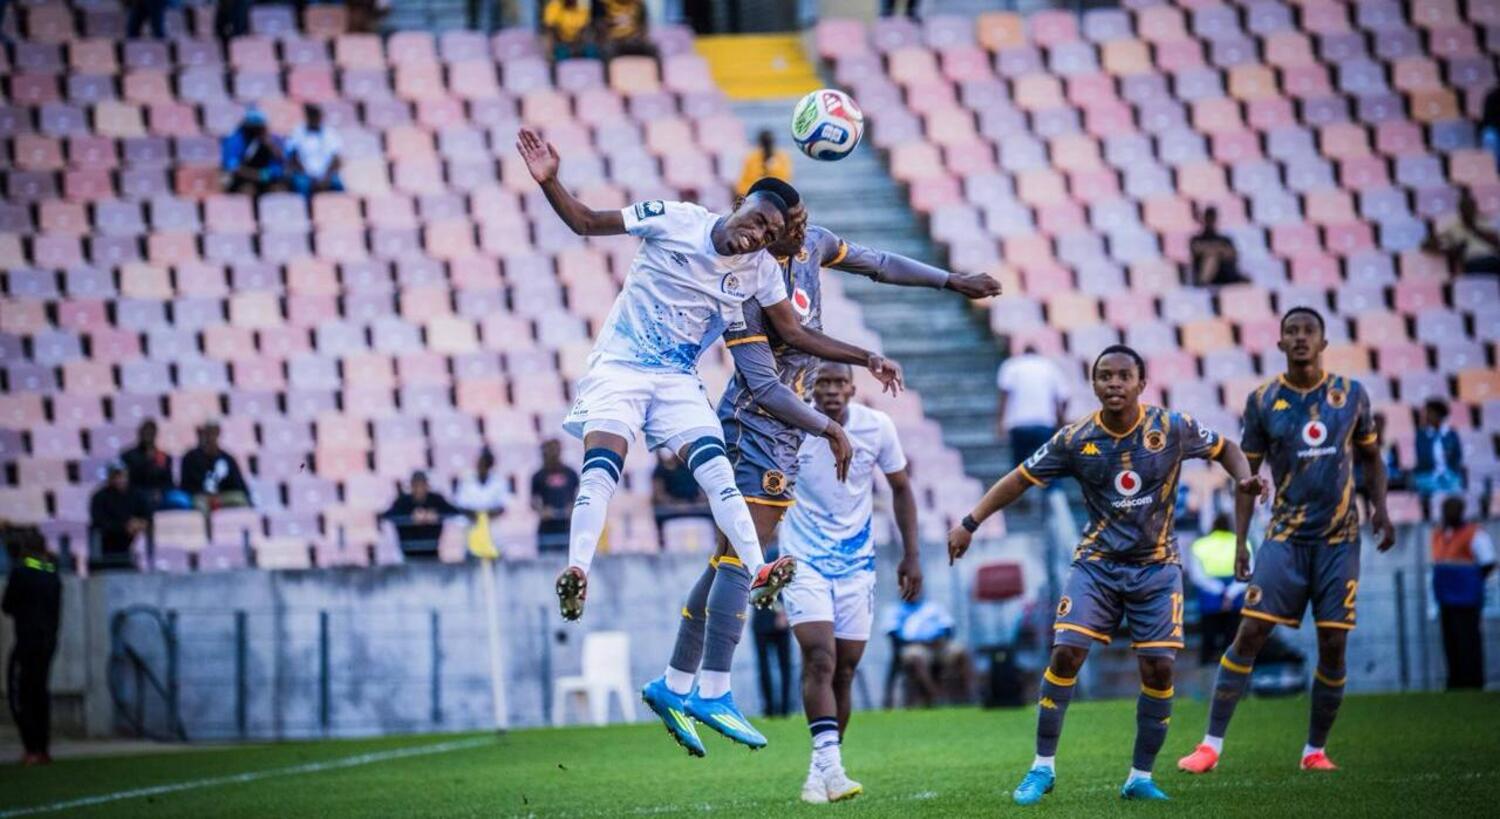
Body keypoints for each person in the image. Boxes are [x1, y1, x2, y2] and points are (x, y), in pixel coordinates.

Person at [516, 129, 905, 753]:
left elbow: (796, 334)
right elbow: (588, 222)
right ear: (740, 202)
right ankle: (579, 569)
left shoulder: (758, 272)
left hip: (676, 379)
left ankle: (752, 581)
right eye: (756, 221)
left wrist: (866, 356)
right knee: (602, 465)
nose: (756, 237)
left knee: (717, 470)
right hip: (620, 368)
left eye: (769, 235)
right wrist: (550, 182)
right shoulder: (674, 219)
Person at [643, 180, 1000, 758]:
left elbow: (878, 263)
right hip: (755, 424)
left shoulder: (815, 246)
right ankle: (712, 689)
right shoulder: (744, 283)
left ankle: (674, 682)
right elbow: (766, 381)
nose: (800, 229)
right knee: (741, 557)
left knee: (729, 559)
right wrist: (830, 424)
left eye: (801, 218)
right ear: (764, 227)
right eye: (787, 223)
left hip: (787, 429)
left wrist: (949, 281)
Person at [949, 344, 1261, 804]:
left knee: (1159, 668)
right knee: (1065, 654)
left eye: (1123, 376)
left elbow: (1226, 448)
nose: (1114, 383)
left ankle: (1139, 777)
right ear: (1093, 384)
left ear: (1141, 383)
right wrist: (970, 522)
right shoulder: (1076, 439)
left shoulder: (1172, 427)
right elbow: (1019, 478)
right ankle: (1041, 768)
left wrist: (1243, 478)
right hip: (1097, 566)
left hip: (1157, 567)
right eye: (1105, 376)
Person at [1180, 306, 1394, 776]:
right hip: (1285, 536)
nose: (1300, 338)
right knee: (1250, 632)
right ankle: (1210, 746)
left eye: (1308, 331)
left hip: (1339, 539)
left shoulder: (1351, 395)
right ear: (1279, 343)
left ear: (1323, 342)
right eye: (1291, 331)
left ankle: (1314, 750)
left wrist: (1380, 507)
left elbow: (1372, 458)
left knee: (1333, 643)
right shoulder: (1263, 401)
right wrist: (1241, 542)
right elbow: (1247, 476)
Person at [742, 362, 919, 801]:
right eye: (824, 382)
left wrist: (911, 555)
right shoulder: (792, 426)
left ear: (853, 389)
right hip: (803, 562)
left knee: (845, 669)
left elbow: (901, 488)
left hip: (857, 564)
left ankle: (821, 769)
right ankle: (833, 769)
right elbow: (764, 489)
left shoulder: (877, 427)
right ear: (811, 388)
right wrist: (755, 560)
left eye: (841, 383)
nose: (833, 390)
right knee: (820, 658)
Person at [3, 526, 62, 766]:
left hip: (27, 640)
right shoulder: (51, 571)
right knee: (40, 692)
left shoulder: (21, 572)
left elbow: (7, 606)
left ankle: (31, 748)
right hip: (48, 640)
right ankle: (43, 749)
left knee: (21, 694)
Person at [1431, 496, 1495, 690]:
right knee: (1450, 641)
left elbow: (1488, 562)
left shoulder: (1474, 533)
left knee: (1468, 640)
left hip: (1466, 597)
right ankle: (1455, 681)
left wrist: (1471, 581)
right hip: (1445, 595)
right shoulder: (1439, 534)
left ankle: (1472, 681)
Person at [995, 344, 1069, 475]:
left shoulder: (1011, 365)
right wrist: (1061, 422)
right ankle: (1051, 487)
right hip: (1044, 423)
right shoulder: (1049, 367)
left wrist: (1000, 422)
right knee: (1047, 466)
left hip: (1019, 424)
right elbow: (1062, 398)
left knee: (1019, 468)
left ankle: (1021, 486)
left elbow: (1004, 396)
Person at [885, 596, 971, 708]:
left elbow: (949, 628)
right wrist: (919, 641)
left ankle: (969, 696)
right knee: (916, 657)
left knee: (961, 651)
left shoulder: (933, 607)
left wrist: (938, 639)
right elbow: (893, 634)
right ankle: (935, 696)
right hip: (913, 646)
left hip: (939, 645)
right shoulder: (895, 610)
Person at [1185, 514, 1246, 666]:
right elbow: (1248, 572)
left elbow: (1196, 575)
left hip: (1210, 593)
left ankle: (1206, 663)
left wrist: (1219, 590)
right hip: (1235, 593)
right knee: (1233, 634)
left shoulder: (1200, 545)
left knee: (1209, 633)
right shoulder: (1241, 543)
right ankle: (1231, 665)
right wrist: (1230, 592)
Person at [380, 471, 462, 557]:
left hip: (432, 551)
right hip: (409, 552)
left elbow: (454, 512)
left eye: (422, 485)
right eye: (416, 485)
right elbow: (388, 515)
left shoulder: (436, 500)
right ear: (411, 487)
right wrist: (411, 517)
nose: (419, 489)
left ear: (427, 486)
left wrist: (436, 514)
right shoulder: (402, 501)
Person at [1422, 189, 1500, 275]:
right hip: (1473, 261)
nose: (1467, 210)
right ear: (1460, 210)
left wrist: (1473, 228)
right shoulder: (1452, 225)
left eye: (1470, 207)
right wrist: (1452, 250)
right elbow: (1427, 245)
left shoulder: (1484, 220)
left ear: (1474, 208)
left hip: (1493, 258)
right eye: (1464, 208)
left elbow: (1496, 242)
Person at [89, 461, 150, 568]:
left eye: (122, 476)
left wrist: (140, 523)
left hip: (130, 543)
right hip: (107, 544)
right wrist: (124, 526)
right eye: (115, 476)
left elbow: (147, 515)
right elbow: (99, 521)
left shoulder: (136, 495)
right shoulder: (100, 497)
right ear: (109, 478)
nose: (119, 480)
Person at [179, 421, 251, 511]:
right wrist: (206, 496)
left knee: (239, 499)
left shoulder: (228, 459)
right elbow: (185, 486)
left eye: (213, 432)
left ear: (218, 433)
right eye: (206, 432)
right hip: (200, 497)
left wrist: (217, 497)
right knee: (199, 504)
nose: (209, 436)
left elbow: (239, 486)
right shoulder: (190, 458)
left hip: (222, 497)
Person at [120, 419, 189, 510]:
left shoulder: (164, 456)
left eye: (151, 432)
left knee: (181, 501)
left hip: (160, 494)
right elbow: (127, 481)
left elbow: (169, 482)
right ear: (140, 433)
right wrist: (147, 461)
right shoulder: (128, 455)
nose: (148, 434)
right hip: (137, 495)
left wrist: (160, 492)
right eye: (145, 431)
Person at [1412, 398, 1466, 507]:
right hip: (1428, 476)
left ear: (1440, 415)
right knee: (1430, 487)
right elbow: (1422, 458)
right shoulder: (1421, 435)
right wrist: (1436, 475)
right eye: (1426, 413)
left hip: (1449, 476)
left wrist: (1448, 473)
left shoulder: (1451, 434)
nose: (1426, 416)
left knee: (1455, 488)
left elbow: (1457, 457)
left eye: (1430, 413)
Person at [455, 449, 511, 553]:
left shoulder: (499, 481)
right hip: (472, 523)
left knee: (496, 551)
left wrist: (485, 516)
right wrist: (478, 516)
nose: (480, 466)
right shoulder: (466, 479)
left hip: (493, 525)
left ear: (490, 465)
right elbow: (461, 504)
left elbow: (503, 506)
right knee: (472, 553)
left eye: (484, 464)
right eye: (479, 463)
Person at [220, 109, 286, 196]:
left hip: (264, 178)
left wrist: (271, 146)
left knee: (279, 189)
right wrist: (255, 175)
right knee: (247, 189)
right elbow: (232, 166)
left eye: (260, 127)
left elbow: (278, 168)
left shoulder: (271, 140)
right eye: (255, 128)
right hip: (242, 178)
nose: (259, 131)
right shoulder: (235, 140)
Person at [530, 439, 579, 553]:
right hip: (547, 528)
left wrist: (573, 508)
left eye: (555, 450)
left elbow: (580, 495)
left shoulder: (571, 474)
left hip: (567, 526)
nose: (552, 454)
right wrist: (542, 511)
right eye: (549, 451)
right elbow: (533, 501)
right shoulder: (538, 476)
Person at [751, 588, 793, 719]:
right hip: (764, 620)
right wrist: (780, 610)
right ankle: (770, 709)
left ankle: (784, 709)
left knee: (784, 667)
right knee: (765, 668)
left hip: (777, 621)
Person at [285, 104, 343, 198]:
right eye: (312, 115)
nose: (315, 118)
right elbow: (294, 158)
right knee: (302, 184)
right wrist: (308, 176)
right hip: (304, 174)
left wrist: (326, 177)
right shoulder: (297, 132)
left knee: (338, 184)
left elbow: (336, 159)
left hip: (327, 174)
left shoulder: (330, 133)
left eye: (317, 115)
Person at [650, 450, 712, 534]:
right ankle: (661, 539)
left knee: (715, 510)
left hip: (694, 504)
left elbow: (704, 491)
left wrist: (699, 501)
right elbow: (659, 495)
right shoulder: (660, 470)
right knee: (658, 513)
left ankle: (719, 539)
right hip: (672, 506)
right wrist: (676, 504)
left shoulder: (693, 467)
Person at [1188, 205, 1246, 286]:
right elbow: (1197, 249)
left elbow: (1232, 254)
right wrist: (1218, 249)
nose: (1210, 221)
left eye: (1212, 218)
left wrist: (1218, 249)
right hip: (1206, 276)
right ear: (1204, 219)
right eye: (1208, 218)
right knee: (1212, 257)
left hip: (1225, 274)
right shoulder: (1196, 239)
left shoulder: (1225, 239)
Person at [736, 130, 793, 198]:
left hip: (776, 197)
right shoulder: (752, 158)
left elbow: (785, 181)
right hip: (755, 197)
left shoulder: (782, 158)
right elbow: (742, 185)